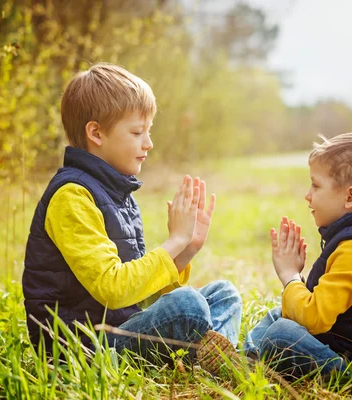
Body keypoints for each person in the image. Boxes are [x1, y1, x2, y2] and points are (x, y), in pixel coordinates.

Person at [22, 63, 241, 371]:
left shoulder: (117, 194)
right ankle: (215, 359)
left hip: (118, 328)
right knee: (188, 306)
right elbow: (113, 289)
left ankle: (211, 357)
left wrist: (185, 250)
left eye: (148, 132)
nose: (148, 143)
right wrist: (173, 240)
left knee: (223, 294)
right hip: (83, 350)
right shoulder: (72, 196)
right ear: (96, 133)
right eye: (138, 132)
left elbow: (141, 293)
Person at [245, 130, 352, 377]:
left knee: (282, 334)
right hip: (351, 344)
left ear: (351, 197)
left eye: (316, 185)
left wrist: (290, 276)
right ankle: (248, 357)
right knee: (281, 312)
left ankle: (249, 360)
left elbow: (316, 318)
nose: (307, 195)